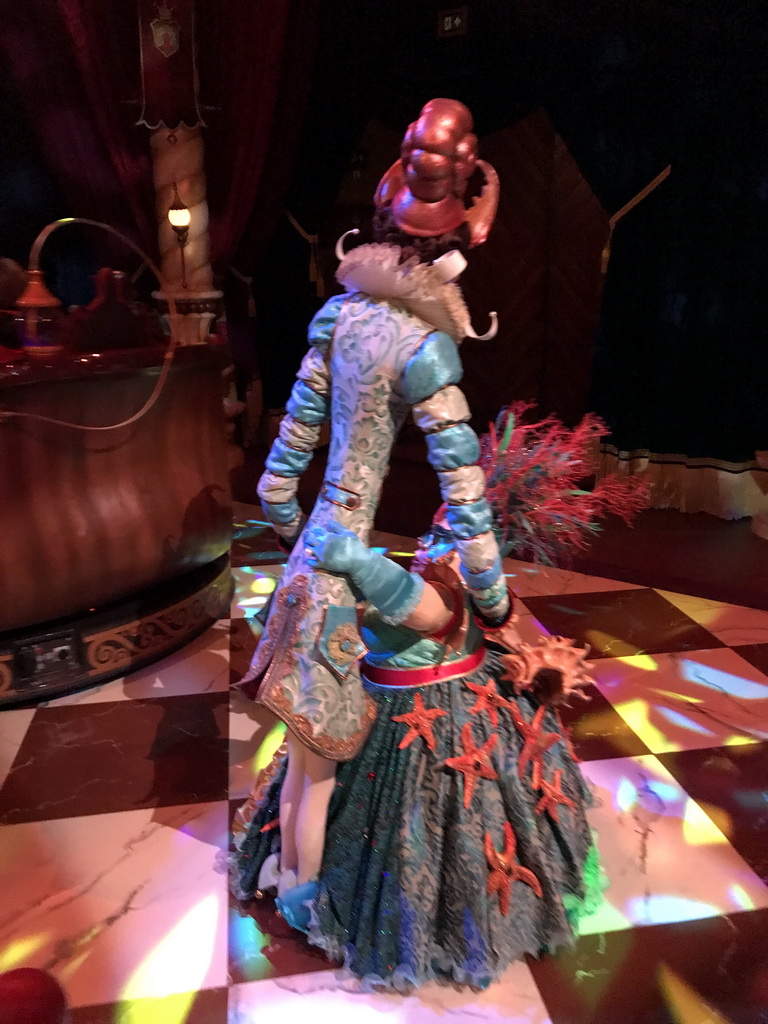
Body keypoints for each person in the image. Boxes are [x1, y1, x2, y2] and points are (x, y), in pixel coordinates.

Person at [232, 407, 646, 989]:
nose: (438, 538)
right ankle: (298, 878)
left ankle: (319, 893)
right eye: (440, 526)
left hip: (434, 718)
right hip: (358, 702)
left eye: (454, 533)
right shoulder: (440, 573)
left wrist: (350, 559)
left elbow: (400, 597)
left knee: (396, 823)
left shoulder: (445, 592)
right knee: (306, 786)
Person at [238, 99, 513, 911]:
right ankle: (302, 893)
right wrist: (492, 600)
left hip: (312, 551)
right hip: (342, 558)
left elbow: (276, 481)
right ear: (452, 249)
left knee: (302, 751)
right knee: (315, 765)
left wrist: (306, 535)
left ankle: (284, 870)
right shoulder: (424, 348)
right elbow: (467, 499)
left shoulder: (336, 318)